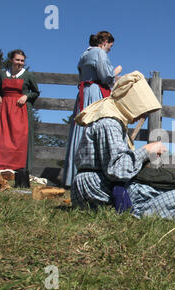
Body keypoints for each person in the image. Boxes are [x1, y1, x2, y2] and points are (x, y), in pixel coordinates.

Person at [71, 71, 175, 222]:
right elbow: (117, 170)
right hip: (99, 188)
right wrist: (147, 150)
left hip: (97, 186)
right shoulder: (110, 123)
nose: (139, 116)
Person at [62, 31, 123, 187]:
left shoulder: (84, 54)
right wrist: (115, 74)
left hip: (84, 92)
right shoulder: (99, 53)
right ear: (104, 42)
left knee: (80, 129)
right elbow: (106, 76)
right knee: (95, 127)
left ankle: (72, 175)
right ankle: (92, 176)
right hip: (95, 93)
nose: (110, 49)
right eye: (110, 46)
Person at [0, 50, 39, 187]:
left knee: (18, 139)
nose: (20, 63)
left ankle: (18, 171)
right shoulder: (3, 74)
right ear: (11, 60)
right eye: (17, 60)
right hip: (4, 109)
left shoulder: (28, 75)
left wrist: (26, 96)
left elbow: (36, 91)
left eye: (22, 61)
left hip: (20, 111)